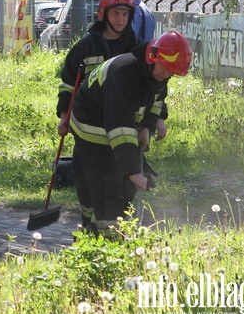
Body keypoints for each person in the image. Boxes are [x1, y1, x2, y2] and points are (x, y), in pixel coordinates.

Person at [67, 30, 192, 235]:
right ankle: (104, 238)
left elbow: (156, 98)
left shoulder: (159, 68)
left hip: (114, 119)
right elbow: (119, 126)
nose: (167, 75)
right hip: (91, 124)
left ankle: (97, 229)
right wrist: (133, 171)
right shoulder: (123, 75)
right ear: (153, 57)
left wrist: (148, 127)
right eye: (166, 69)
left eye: (172, 72)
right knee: (109, 182)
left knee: (123, 183)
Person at [57, 0, 138, 232]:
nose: (121, 19)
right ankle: (88, 220)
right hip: (87, 130)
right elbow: (67, 85)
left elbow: (151, 87)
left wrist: (154, 121)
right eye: (116, 14)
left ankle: (110, 230)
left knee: (122, 183)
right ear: (104, 14)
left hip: (123, 129)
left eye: (125, 14)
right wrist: (64, 117)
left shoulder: (136, 49)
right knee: (85, 180)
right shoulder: (85, 48)